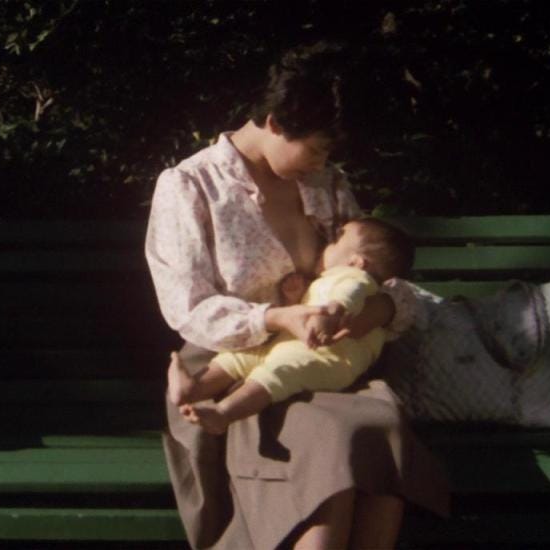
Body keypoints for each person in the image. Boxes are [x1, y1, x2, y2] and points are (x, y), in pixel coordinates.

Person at [145, 42, 449, 549]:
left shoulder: (327, 184)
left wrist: (379, 308)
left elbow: (375, 268)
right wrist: (278, 318)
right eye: (316, 148)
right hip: (236, 369)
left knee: (381, 423)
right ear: (274, 122)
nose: (323, 163)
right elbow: (187, 307)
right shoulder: (192, 186)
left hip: (330, 362)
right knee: (335, 446)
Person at [169, 218, 415, 436]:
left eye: (334, 243)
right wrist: (295, 299)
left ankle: (224, 413)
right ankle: (194, 388)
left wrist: (333, 310)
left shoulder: (355, 278)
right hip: (290, 345)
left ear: (355, 262)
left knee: (277, 374)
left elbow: (348, 295)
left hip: (329, 359)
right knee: (240, 357)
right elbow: (309, 309)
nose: (325, 246)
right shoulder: (330, 279)